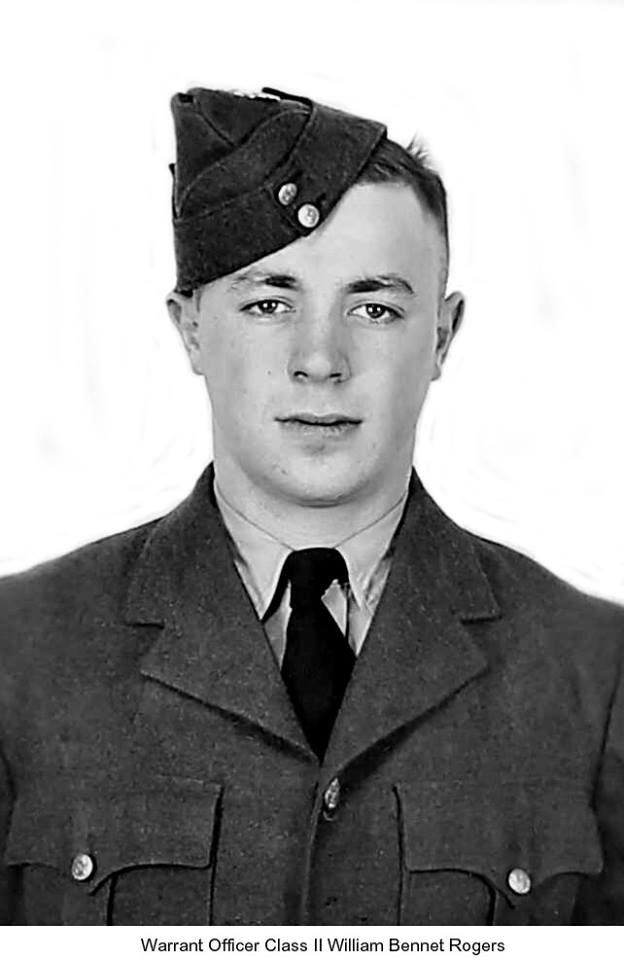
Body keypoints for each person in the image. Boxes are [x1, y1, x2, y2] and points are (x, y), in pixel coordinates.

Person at [1, 86, 623, 927]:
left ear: (442, 337)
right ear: (190, 328)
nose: (320, 360)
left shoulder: (594, 669)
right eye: (269, 304)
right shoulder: (21, 655)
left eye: (374, 308)